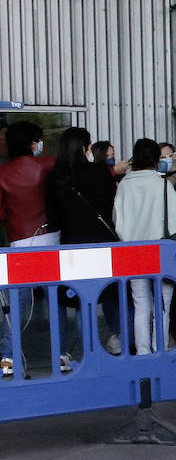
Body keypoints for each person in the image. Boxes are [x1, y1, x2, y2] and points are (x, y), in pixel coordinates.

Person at [47, 127, 122, 352]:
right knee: (109, 294)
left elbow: (53, 217)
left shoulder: (55, 176)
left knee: (81, 300)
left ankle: (90, 352)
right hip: (101, 242)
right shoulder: (99, 172)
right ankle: (120, 342)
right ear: (84, 147)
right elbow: (111, 205)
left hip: (71, 244)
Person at [113, 139, 176, 355]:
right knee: (162, 306)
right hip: (161, 252)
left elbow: (117, 220)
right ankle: (160, 348)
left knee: (140, 305)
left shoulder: (125, 184)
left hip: (133, 253)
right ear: (157, 160)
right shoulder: (163, 184)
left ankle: (143, 352)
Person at [0, 121, 60, 377]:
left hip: (19, 243)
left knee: (15, 306)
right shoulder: (48, 165)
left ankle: (8, 358)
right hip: (53, 239)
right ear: (32, 143)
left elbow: (1, 213)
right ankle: (62, 354)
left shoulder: (3, 173)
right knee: (58, 300)